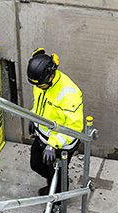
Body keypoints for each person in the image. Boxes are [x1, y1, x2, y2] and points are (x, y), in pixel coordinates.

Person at [27, 48, 84, 196]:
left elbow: (74, 127)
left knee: (56, 172)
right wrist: (33, 118)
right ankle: (56, 183)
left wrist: (53, 144)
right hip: (43, 137)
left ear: (51, 75)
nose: (38, 88)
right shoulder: (40, 83)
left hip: (61, 143)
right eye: (36, 85)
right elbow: (39, 105)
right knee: (36, 164)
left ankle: (58, 201)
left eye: (41, 85)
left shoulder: (69, 93)